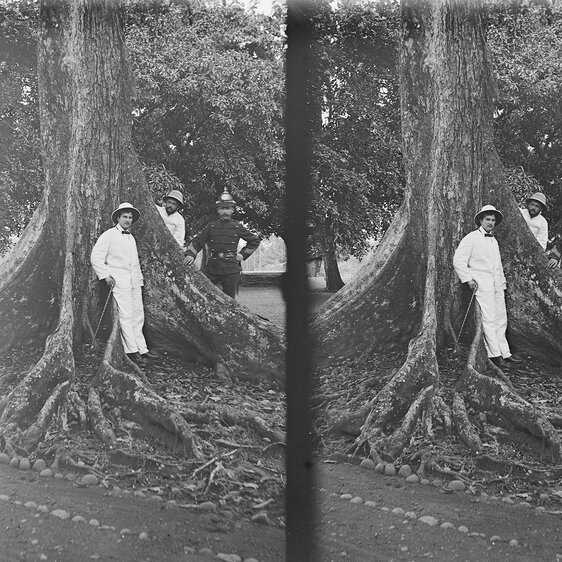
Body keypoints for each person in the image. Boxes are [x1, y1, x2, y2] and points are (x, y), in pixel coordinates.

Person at [453, 205, 521, 366]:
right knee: (489, 318)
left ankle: (505, 352)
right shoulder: (471, 238)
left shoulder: (494, 241)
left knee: (501, 318)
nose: (490, 222)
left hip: (497, 284)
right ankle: (494, 355)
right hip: (482, 284)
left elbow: (497, 265)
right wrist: (468, 279)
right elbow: (458, 260)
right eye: (488, 219)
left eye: (493, 220)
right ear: (481, 221)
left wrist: (501, 283)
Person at [90, 202, 157, 364]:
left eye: (130, 217)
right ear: (118, 218)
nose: (128, 220)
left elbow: (134, 262)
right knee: (126, 315)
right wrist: (106, 276)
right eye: (125, 217)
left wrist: (139, 279)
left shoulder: (131, 238)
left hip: (134, 281)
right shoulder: (109, 235)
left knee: (138, 315)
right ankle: (131, 351)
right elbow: (96, 257)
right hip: (119, 281)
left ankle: (143, 348)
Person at [183, 189, 261, 299]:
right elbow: (197, 241)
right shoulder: (211, 226)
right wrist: (191, 254)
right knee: (202, 293)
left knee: (229, 300)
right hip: (213, 267)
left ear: (232, 210)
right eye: (222, 208)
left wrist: (242, 255)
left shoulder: (237, 227)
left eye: (228, 208)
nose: (225, 211)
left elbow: (255, 240)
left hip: (231, 268)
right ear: (218, 210)